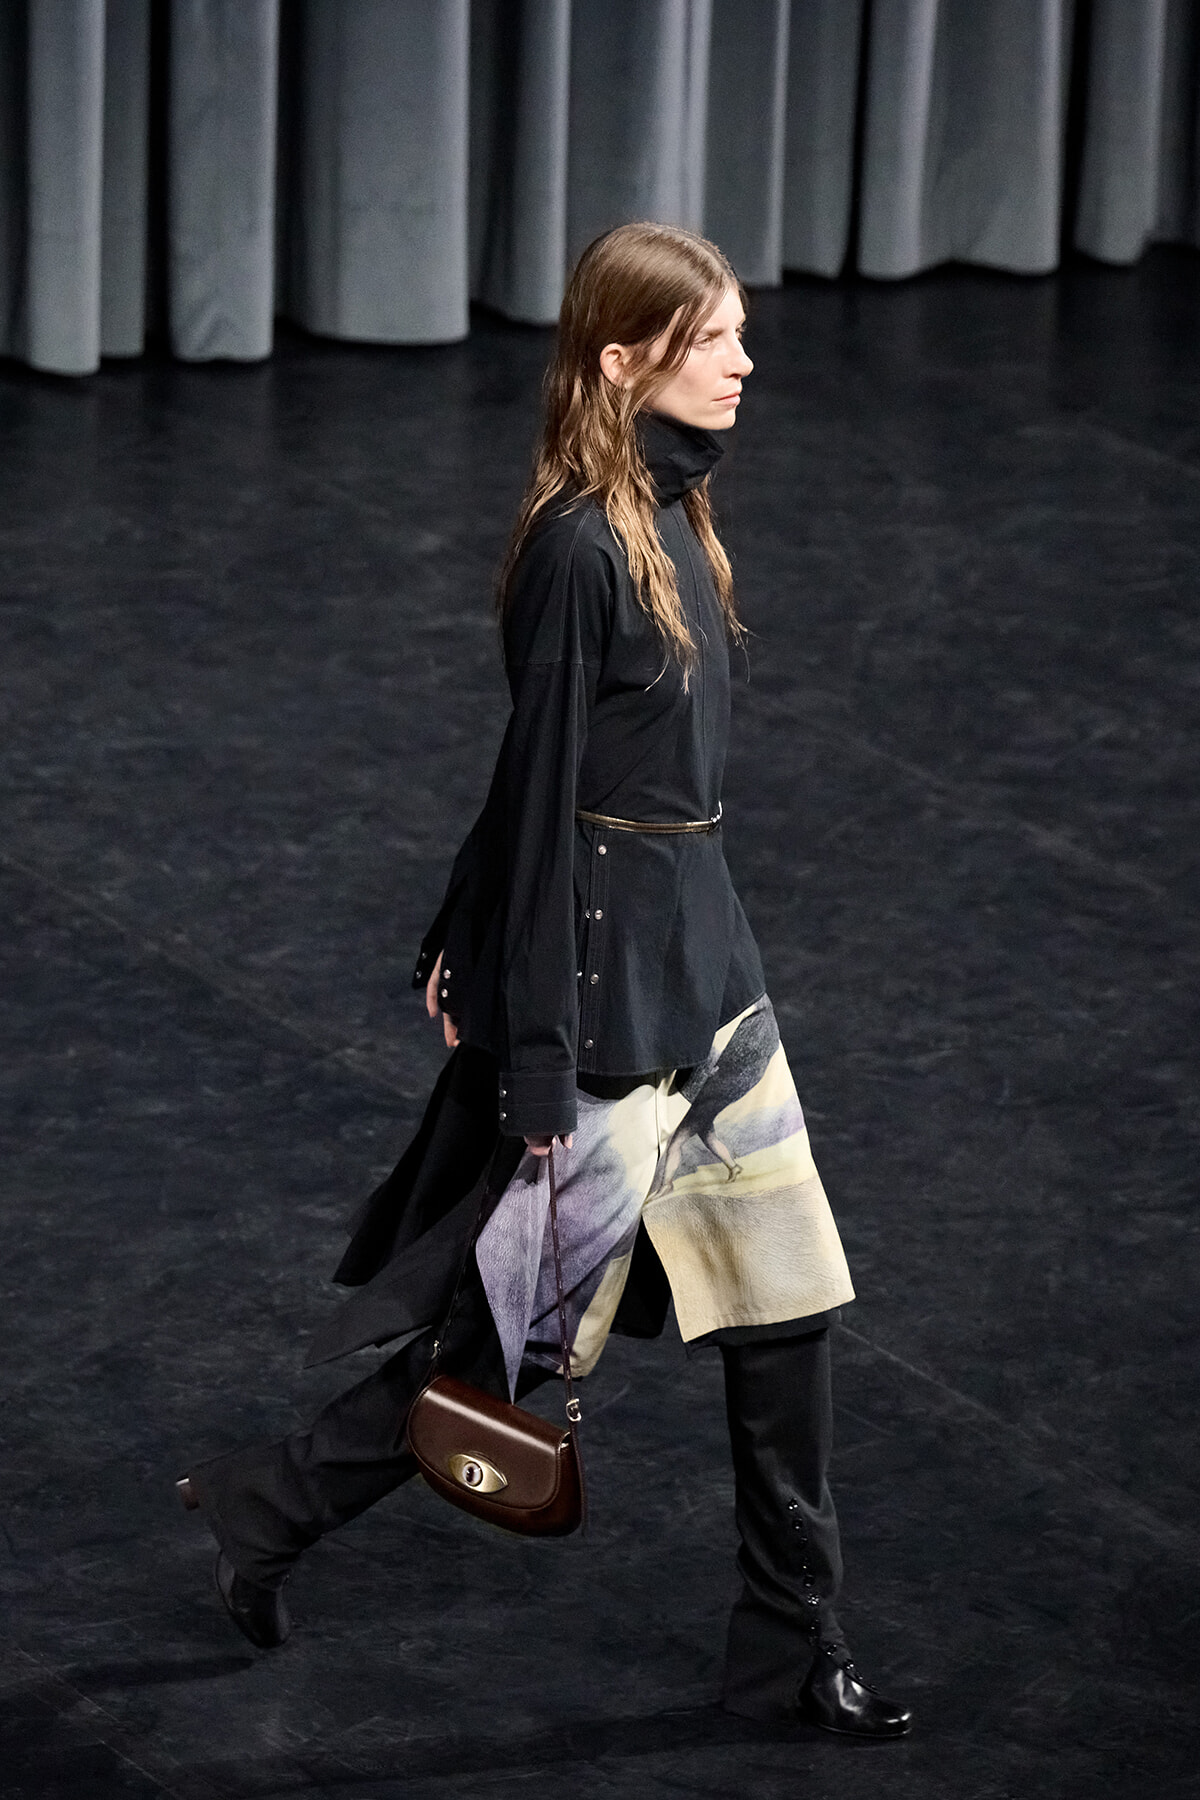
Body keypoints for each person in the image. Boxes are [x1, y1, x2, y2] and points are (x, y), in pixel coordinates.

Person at [178, 222, 912, 1739]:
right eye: (716, 339)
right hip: (609, 1014)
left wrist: (458, 928)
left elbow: (553, 786)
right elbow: (546, 786)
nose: (748, 361)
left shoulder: (672, 518)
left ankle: (792, 1640)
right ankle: (265, 1509)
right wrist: (525, 1046)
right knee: (503, 1344)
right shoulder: (583, 548)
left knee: (785, 1317)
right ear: (624, 355)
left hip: (709, 974)